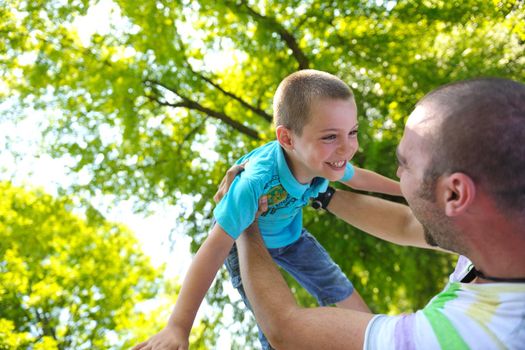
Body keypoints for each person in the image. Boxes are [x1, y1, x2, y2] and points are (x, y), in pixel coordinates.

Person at [228, 77, 525, 349]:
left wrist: (246, 224)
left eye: (405, 165)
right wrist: (322, 191)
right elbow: (405, 222)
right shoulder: (494, 234)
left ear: (455, 194)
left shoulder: (463, 335)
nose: (397, 174)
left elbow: (286, 330)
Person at [133, 70, 402, 350]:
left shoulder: (327, 161)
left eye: (353, 132)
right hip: (243, 245)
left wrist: (405, 190)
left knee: (335, 282)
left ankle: (376, 342)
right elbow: (212, 250)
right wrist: (178, 327)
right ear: (287, 139)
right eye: (330, 137)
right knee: (272, 325)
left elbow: (359, 177)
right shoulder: (254, 182)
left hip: (290, 237)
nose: (347, 148)